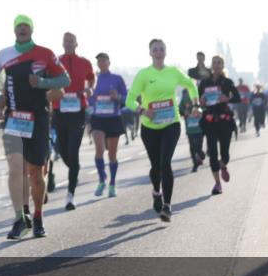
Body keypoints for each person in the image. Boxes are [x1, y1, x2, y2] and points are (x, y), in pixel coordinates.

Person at [0, 16, 70, 239]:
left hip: (39, 118)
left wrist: (42, 83)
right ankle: (20, 218)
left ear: (31, 30)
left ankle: (38, 217)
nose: (22, 29)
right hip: (14, 118)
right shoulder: (5, 54)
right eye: (18, 26)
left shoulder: (44, 53)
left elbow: (64, 80)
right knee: (17, 169)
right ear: (14, 30)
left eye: (25, 26)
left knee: (35, 173)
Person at [125, 39, 200, 222]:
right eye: (155, 50)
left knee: (165, 163)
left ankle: (167, 205)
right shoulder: (143, 74)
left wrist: (196, 104)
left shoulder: (173, 72)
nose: (158, 52)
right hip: (150, 127)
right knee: (156, 166)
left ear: (165, 53)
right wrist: (143, 110)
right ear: (150, 53)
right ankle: (156, 192)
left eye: (161, 49)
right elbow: (130, 100)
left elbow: (191, 85)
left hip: (171, 124)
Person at [51, 33, 95, 208]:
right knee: (62, 150)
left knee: (73, 149)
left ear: (77, 44)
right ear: (62, 44)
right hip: (59, 110)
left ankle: (70, 195)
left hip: (78, 110)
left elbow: (92, 78)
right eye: (65, 41)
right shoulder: (55, 61)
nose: (68, 44)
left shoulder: (84, 62)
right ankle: (74, 169)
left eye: (71, 41)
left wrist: (90, 89)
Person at [87, 52, 128, 202]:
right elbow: (89, 99)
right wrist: (90, 99)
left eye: (104, 60)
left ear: (109, 62)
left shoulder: (117, 79)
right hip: (98, 118)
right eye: (99, 61)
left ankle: (112, 184)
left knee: (112, 154)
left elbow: (126, 98)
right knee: (99, 150)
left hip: (113, 119)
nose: (102, 63)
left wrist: (117, 96)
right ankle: (102, 179)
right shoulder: (93, 80)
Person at [197, 55, 241, 195]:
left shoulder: (227, 82)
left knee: (225, 154)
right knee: (213, 154)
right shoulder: (204, 83)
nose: (216, 65)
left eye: (219, 63)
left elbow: (237, 98)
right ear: (211, 65)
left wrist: (227, 98)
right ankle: (217, 184)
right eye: (214, 63)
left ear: (223, 66)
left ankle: (223, 166)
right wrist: (201, 102)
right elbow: (199, 101)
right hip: (210, 121)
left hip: (224, 120)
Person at [179, 89, 205, 172]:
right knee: (192, 146)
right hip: (190, 128)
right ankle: (195, 164)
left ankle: (200, 154)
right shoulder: (185, 97)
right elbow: (179, 109)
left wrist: (201, 112)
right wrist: (184, 112)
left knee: (198, 146)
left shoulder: (199, 94)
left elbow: (205, 106)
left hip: (200, 128)